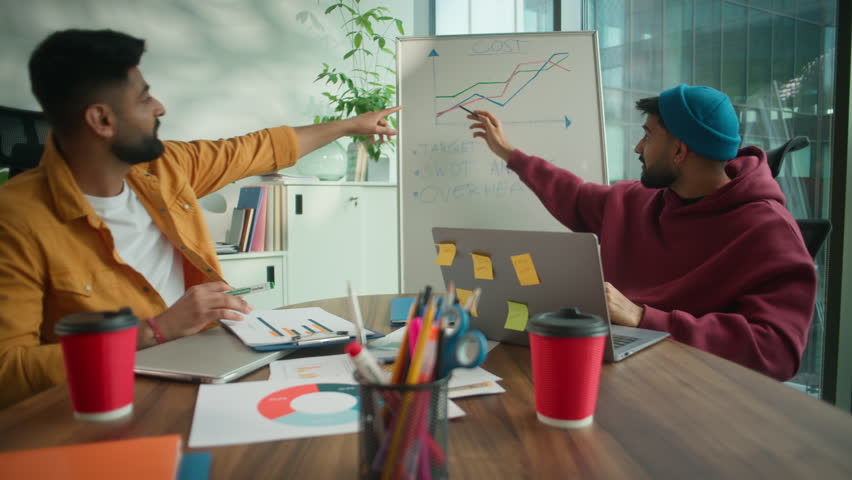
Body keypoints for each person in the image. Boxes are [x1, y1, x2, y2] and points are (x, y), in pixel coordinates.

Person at [0, 29, 401, 408]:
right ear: (101, 120)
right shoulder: (17, 218)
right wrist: (154, 332)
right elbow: (8, 370)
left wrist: (351, 125)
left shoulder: (164, 167)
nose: (160, 108)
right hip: (111, 400)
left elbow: (257, 149)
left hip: (209, 369)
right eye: (144, 100)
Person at [468, 84, 817, 381]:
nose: (638, 148)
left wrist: (642, 317)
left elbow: (777, 350)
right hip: (621, 371)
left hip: (696, 393)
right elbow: (573, 196)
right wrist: (509, 154)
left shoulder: (768, 231)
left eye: (648, 136)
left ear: (679, 151)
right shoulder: (640, 200)